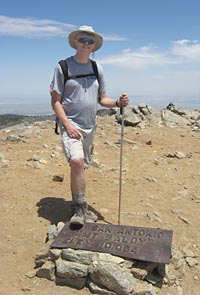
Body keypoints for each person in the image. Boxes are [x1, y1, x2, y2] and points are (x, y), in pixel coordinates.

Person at [50, 25, 129, 226]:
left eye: (90, 41)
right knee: (77, 162)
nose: (86, 44)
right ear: (75, 42)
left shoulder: (96, 68)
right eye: (83, 40)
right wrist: (67, 124)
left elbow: (103, 99)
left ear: (94, 46)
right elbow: (56, 101)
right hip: (71, 124)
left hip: (90, 126)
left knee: (82, 165)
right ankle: (79, 207)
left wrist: (117, 103)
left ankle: (78, 200)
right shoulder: (63, 67)